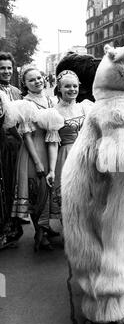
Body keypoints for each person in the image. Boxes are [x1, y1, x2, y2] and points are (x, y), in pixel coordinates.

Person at [11, 67, 64, 252]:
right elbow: (26, 136)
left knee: (50, 190)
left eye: (39, 77)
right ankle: (39, 235)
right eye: (31, 80)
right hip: (34, 149)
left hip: (52, 147)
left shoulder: (52, 100)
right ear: (24, 84)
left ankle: (46, 227)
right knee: (37, 191)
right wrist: (37, 162)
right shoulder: (24, 104)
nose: (37, 81)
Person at [49, 70, 93, 220]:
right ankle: (69, 235)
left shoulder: (85, 107)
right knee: (68, 199)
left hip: (85, 155)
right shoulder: (53, 112)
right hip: (66, 156)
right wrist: (51, 169)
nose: (72, 89)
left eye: (75, 86)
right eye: (67, 86)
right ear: (59, 88)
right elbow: (53, 143)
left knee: (86, 198)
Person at [0, 52, 24, 250]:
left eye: (9, 67)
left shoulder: (16, 91)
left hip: (18, 146)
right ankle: (5, 230)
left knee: (17, 186)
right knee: (5, 187)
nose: (6, 71)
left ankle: (14, 226)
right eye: (2, 68)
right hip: (2, 145)